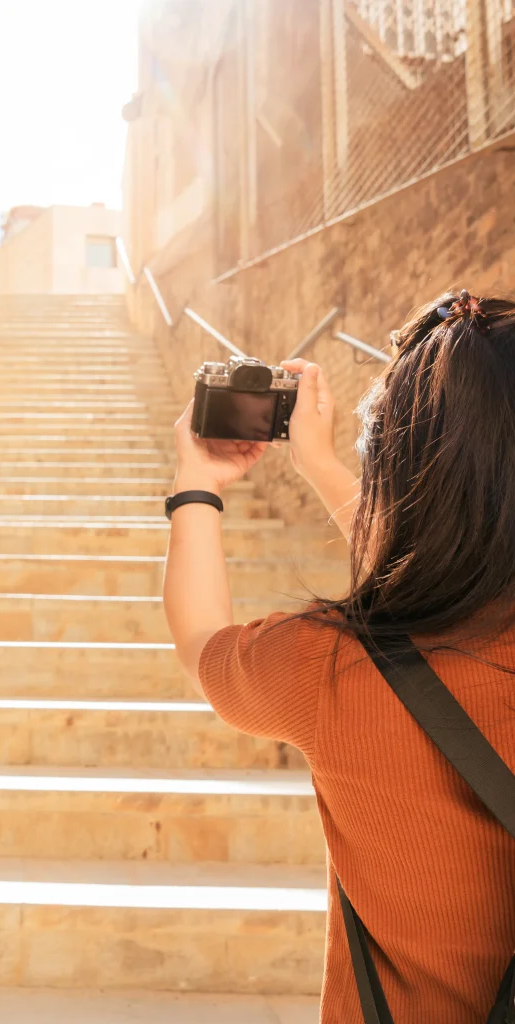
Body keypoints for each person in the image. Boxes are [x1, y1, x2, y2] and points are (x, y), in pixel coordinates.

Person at [163, 291, 515, 1023]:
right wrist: (321, 466)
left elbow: (202, 649)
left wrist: (196, 484)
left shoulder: (333, 666)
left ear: (396, 462)